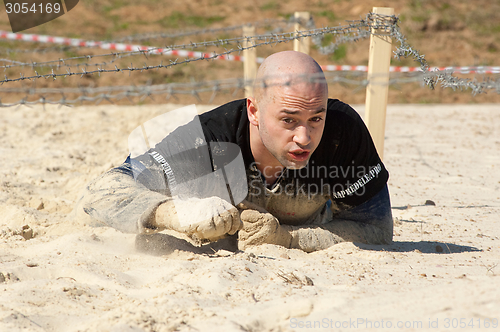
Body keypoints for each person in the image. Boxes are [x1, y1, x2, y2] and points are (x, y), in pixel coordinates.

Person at [76, 51, 393, 253]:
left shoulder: (342, 133)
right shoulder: (209, 138)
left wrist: (287, 240)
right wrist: (174, 212)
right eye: (288, 120)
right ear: (254, 111)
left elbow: (376, 229)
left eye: (316, 119)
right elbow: (102, 194)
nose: (304, 137)